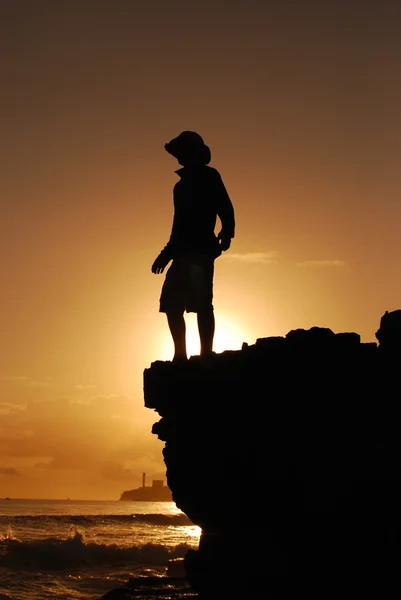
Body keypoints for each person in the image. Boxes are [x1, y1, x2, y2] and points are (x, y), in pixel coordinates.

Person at [151, 131, 235, 361]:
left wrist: (227, 233)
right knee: (171, 303)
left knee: (202, 302)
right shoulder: (179, 187)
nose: (178, 156)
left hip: (201, 250)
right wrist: (166, 254)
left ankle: (206, 353)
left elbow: (225, 207)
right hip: (181, 252)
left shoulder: (210, 176)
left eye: (181, 151)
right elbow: (178, 225)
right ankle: (180, 354)